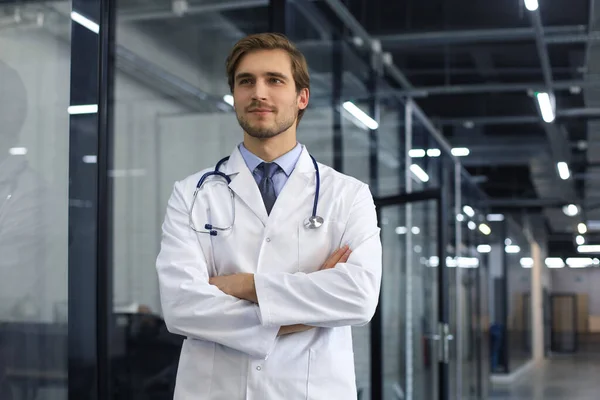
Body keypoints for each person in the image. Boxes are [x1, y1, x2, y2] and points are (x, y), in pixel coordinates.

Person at [156, 32, 382, 400]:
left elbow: (358, 297)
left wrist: (246, 285)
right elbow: (182, 307)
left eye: (274, 80)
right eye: (246, 81)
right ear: (234, 97)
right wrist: (308, 310)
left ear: (301, 97)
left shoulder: (348, 195)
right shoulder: (192, 193)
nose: (259, 92)